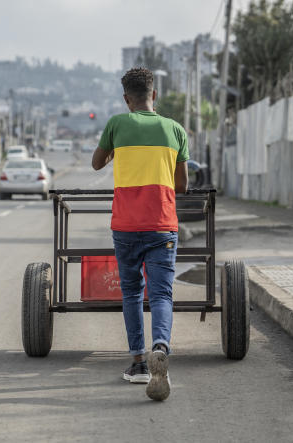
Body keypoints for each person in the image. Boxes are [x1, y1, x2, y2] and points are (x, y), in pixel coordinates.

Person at [92, 67, 189, 401]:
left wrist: (119, 149)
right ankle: (160, 346)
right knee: (161, 294)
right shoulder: (175, 129)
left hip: (126, 226)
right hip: (162, 224)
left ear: (126, 99)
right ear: (154, 95)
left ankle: (138, 364)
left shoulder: (117, 124)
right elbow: (182, 184)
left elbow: (96, 163)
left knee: (132, 292)